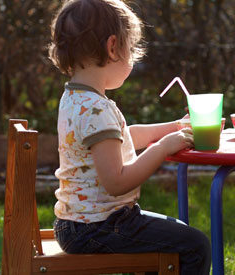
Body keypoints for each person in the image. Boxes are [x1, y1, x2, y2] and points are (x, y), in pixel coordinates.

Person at [48, 0, 211, 274]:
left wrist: (172, 127)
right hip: (99, 227)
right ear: (113, 47)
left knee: (177, 233)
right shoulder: (96, 109)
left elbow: (124, 138)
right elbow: (116, 182)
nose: (133, 57)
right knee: (195, 245)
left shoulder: (76, 98)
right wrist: (161, 149)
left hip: (79, 224)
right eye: (131, 49)